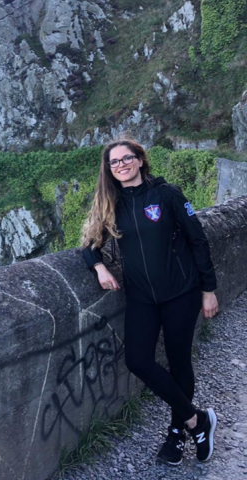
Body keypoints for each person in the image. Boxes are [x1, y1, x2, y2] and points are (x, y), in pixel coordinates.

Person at [80, 139, 219, 466]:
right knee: (138, 360)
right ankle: (197, 421)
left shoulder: (166, 195)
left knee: (179, 362)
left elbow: (198, 240)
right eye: (114, 162)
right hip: (141, 298)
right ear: (109, 170)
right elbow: (88, 244)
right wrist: (98, 266)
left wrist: (208, 289)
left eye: (127, 158)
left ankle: (176, 433)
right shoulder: (109, 204)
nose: (121, 165)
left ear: (140, 160)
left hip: (180, 294)